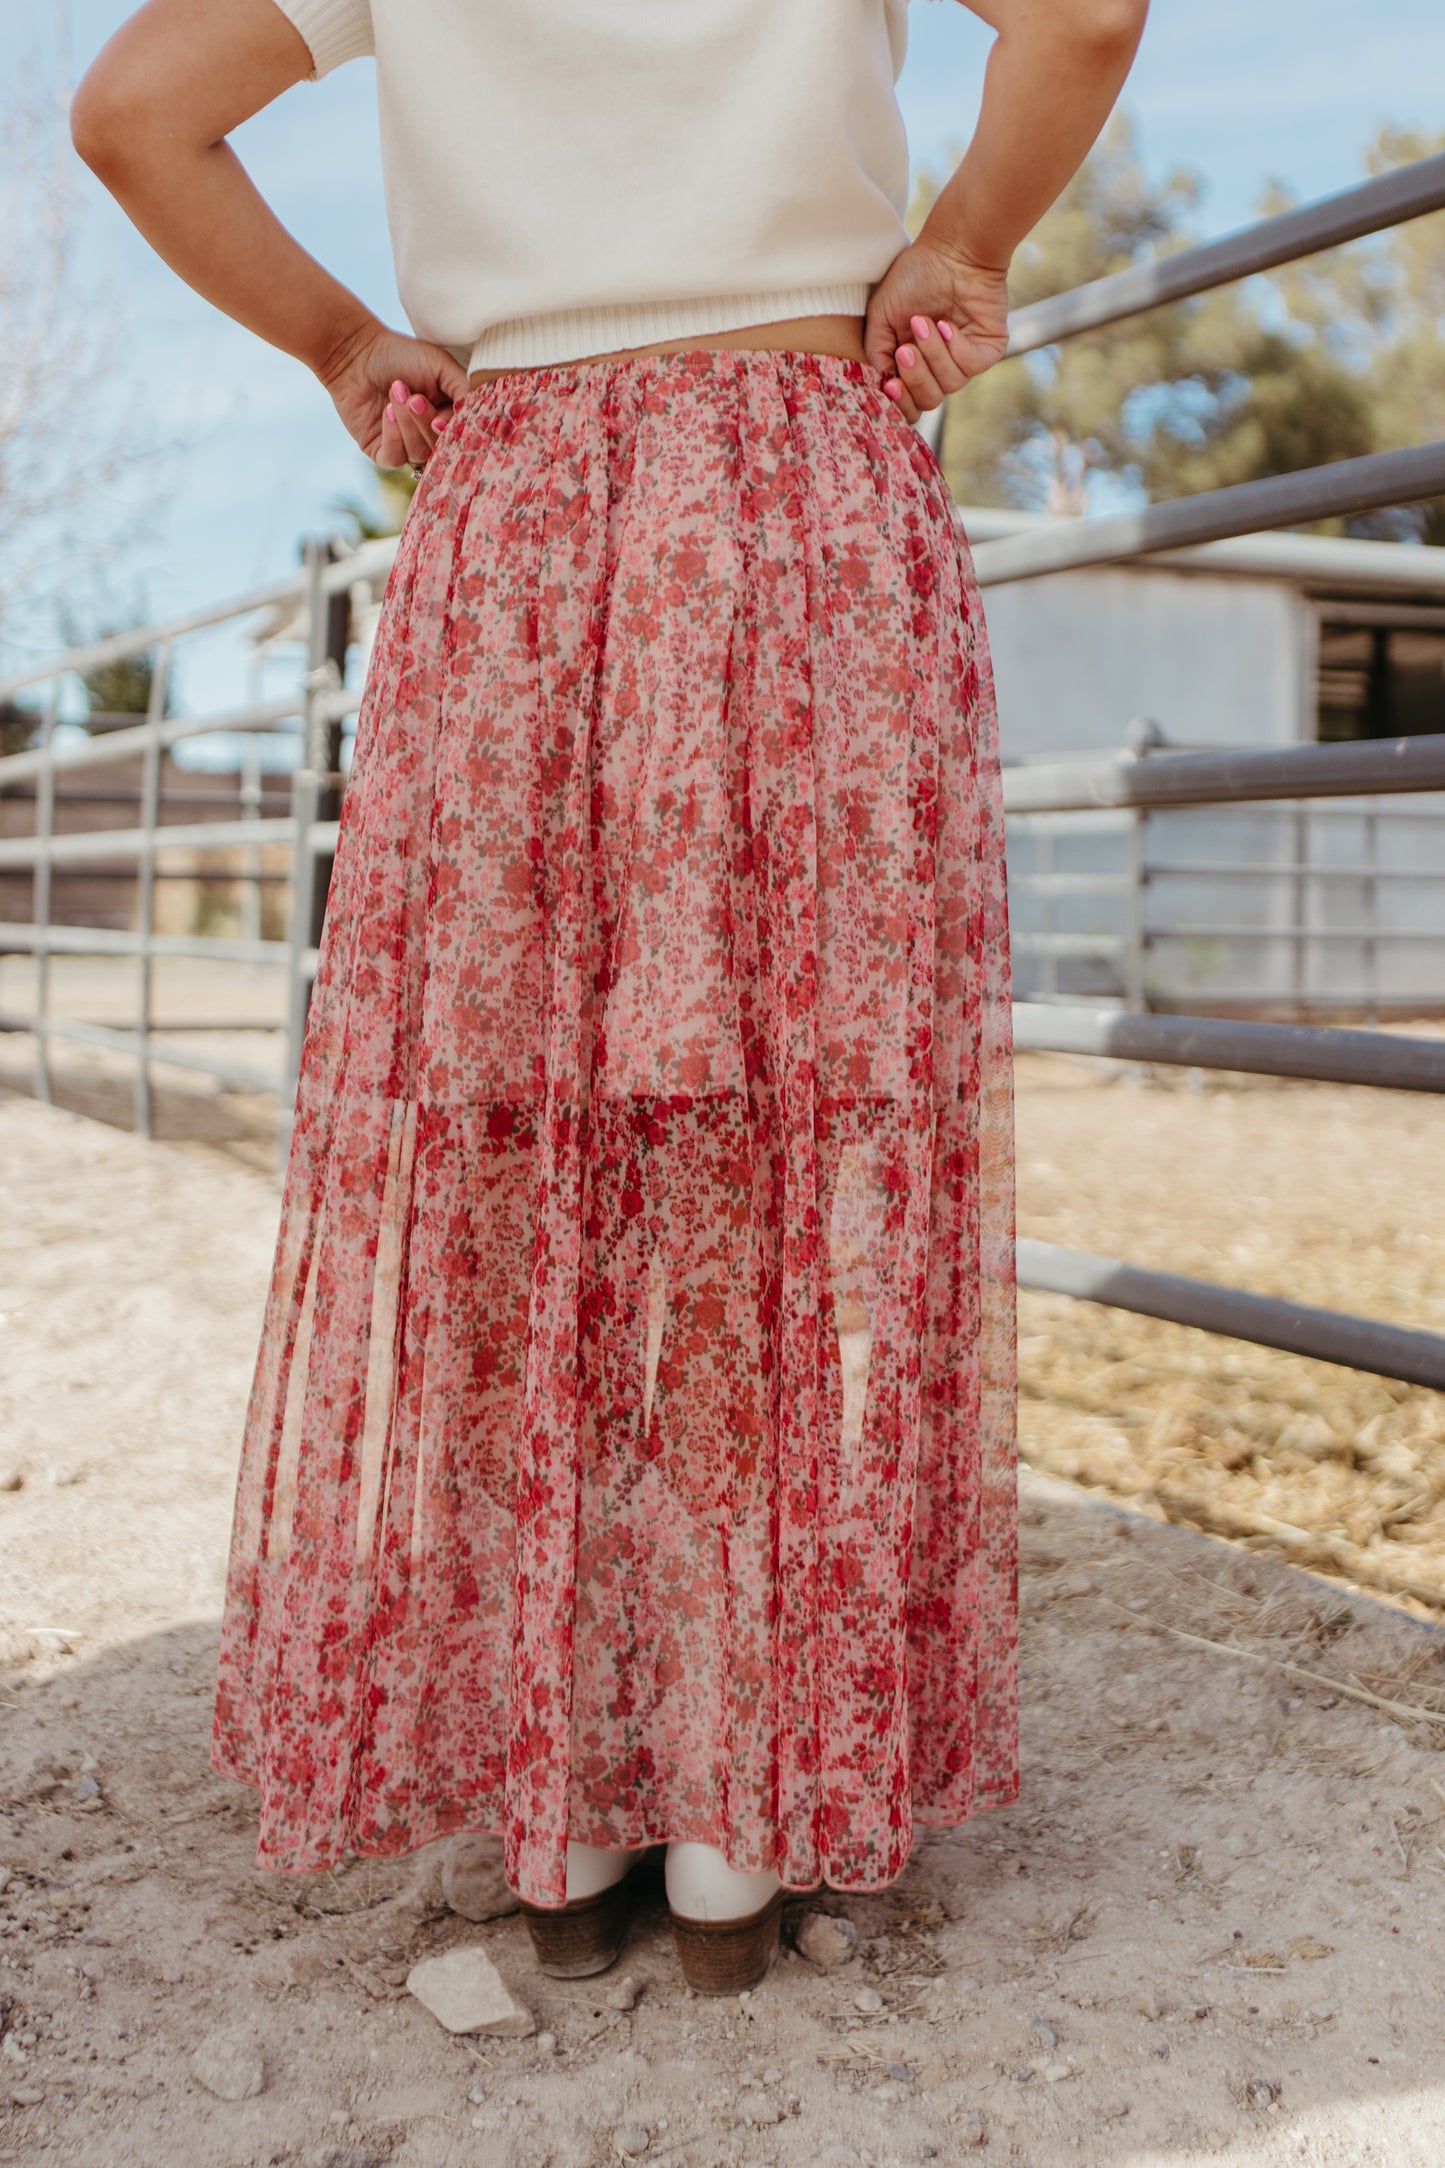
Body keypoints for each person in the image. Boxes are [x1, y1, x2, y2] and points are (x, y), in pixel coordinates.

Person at [73, 0, 1147, 1996]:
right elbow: (1084, 13)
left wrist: (340, 341)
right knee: (757, 1163)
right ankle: (739, 1833)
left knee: (515, 1160)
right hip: (799, 490)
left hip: (526, 507)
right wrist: (966, 243)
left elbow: (134, 116)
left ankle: (561, 1823)